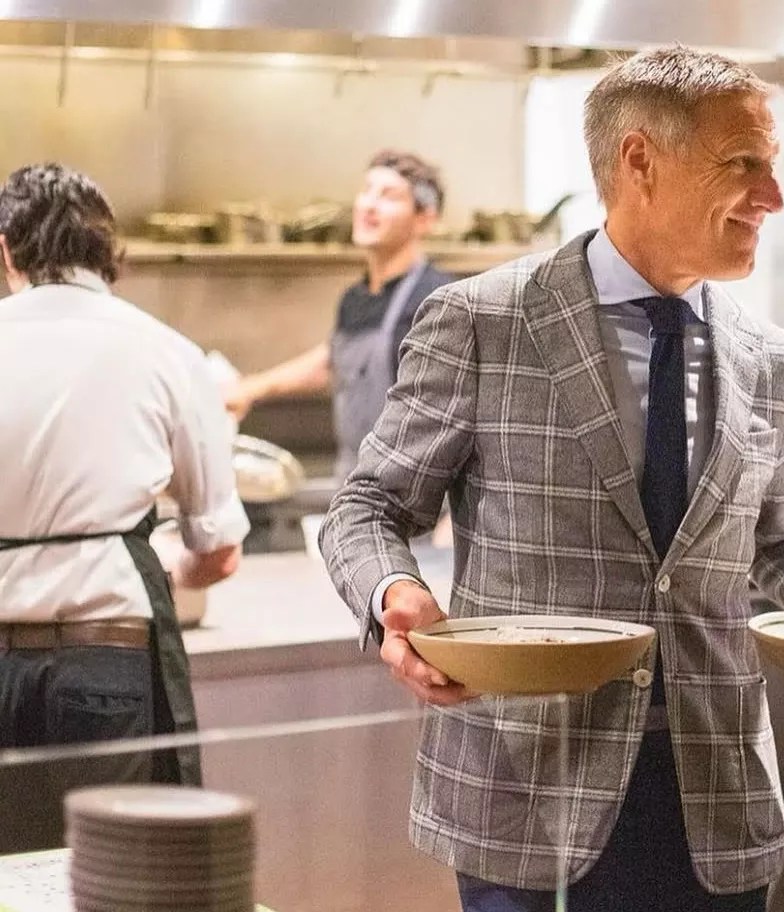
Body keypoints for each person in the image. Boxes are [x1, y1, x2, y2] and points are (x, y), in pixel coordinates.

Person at [320, 46, 784, 912]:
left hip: (713, 797)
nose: (773, 196)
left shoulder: (770, 355)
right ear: (640, 162)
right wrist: (396, 594)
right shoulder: (485, 322)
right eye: (745, 165)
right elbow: (368, 507)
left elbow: (779, 533)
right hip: (526, 792)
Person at [0, 163, 249, 850]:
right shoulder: (168, 352)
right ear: (111, 253)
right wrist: (153, 562)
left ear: (5, 250)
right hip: (106, 663)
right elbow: (218, 553)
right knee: (113, 879)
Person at [225, 149, 456, 481]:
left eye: (388, 196)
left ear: (425, 219)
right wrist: (249, 389)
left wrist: (450, 525)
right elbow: (331, 361)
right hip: (355, 481)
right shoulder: (355, 299)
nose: (369, 205)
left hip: (416, 500)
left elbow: (465, 413)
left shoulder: (436, 300)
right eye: (366, 191)